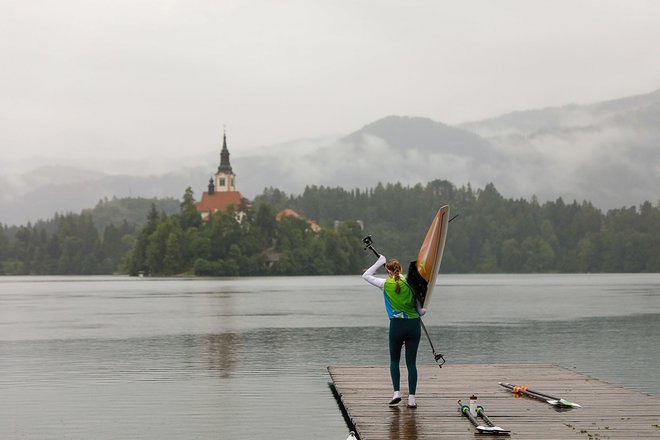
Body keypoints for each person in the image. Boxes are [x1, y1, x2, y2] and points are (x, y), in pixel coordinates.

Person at [362, 254, 422, 408]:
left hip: (396, 326)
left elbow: (366, 275)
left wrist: (379, 262)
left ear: (388, 271)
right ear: (400, 270)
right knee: (411, 363)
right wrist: (423, 311)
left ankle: (396, 393)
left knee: (394, 361)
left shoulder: (385, 284)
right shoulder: (411, 283)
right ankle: (412, 399)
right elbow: (420, 310)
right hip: (413, 326)